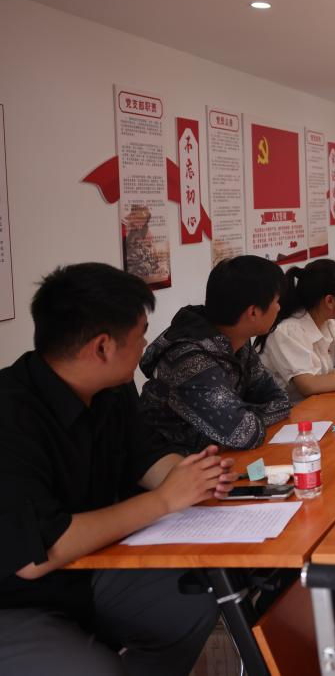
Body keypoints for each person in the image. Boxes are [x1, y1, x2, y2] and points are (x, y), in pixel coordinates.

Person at [0, 263, 234, 675]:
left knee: (195, 598)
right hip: (17, 597)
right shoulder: (10, 416)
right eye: (141, 333)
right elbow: (36, 556)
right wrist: (165, 500)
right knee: (95, 670)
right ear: (102, 347)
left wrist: (197, 477)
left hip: (90, 566)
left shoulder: (111, 387)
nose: (145, 344)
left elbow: (144, 456)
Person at [139, 255, 291, 452]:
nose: (279, 307)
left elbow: (279, 400)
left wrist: (242, 414)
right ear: (253, 312)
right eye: (277, 301)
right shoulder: (190, 359)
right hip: (169, 461)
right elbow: (245, 433)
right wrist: (241, 417)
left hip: (215, 455)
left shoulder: (237, 340)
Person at [257, 259, 335, 401]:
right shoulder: (288, 330)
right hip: (292, 410)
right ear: (329, 301)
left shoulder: (325, 322)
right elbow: (309, 386)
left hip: (319, 403)